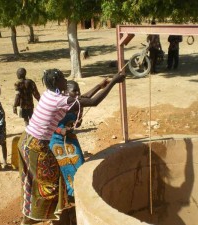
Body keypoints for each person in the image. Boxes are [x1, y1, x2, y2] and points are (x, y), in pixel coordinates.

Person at [18, 69, 125, 225]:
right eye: (62, 78)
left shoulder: (50, 94)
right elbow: (93, 102)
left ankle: (30, 217)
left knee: (36, 181)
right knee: (54, 185)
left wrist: (99, 86)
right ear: (56, 82)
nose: (65, 80)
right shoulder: (58, 100)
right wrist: (115, 82)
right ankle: (53, 220)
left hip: (26, 141)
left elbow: (81, 99)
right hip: (36, 146)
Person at [49, 78, 109, 199]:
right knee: (64, 169)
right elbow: (50, 124)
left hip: (69, 138)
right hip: (56, 140)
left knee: (79, 165)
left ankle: (78, 194)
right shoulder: (62, 105)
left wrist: (99, 86)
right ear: (66, 93)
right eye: (74, 91)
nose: (77, 94)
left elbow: (85, 98)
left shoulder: (75, 103)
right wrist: (61, 130)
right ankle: (68, 197)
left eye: (78, 91)